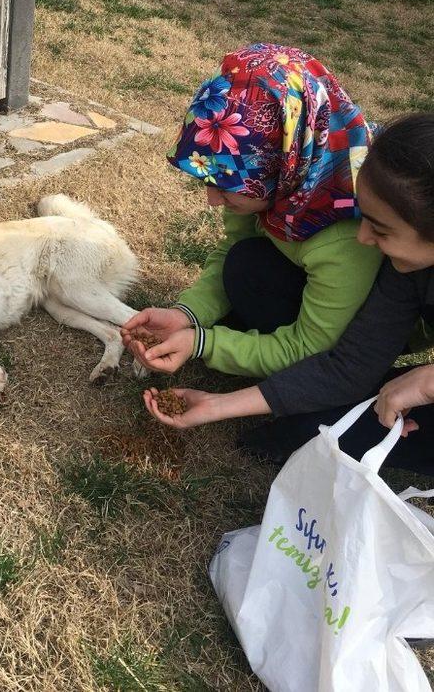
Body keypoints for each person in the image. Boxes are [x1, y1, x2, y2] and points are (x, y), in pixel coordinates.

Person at [142, 113, 434, 476]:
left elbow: (317, 352)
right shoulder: (406, 269)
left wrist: (428, 381)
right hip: (347, 340)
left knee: (328, 427)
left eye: (382, 230)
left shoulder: (347, 246)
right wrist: (218, 404)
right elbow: (351, 366)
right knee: (318, 423)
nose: (364, 239)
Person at [122, 43, 381, 380]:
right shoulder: (275, 178)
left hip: (350, 337)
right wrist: (188, 314)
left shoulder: (350, 232)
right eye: (209, 180)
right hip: (297, 280)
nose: (212, 200)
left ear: (285, 165)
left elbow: (308, 349)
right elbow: (234, 247)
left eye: (226, 187)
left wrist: (203, 344)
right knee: (244, 262)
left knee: (249, 273)